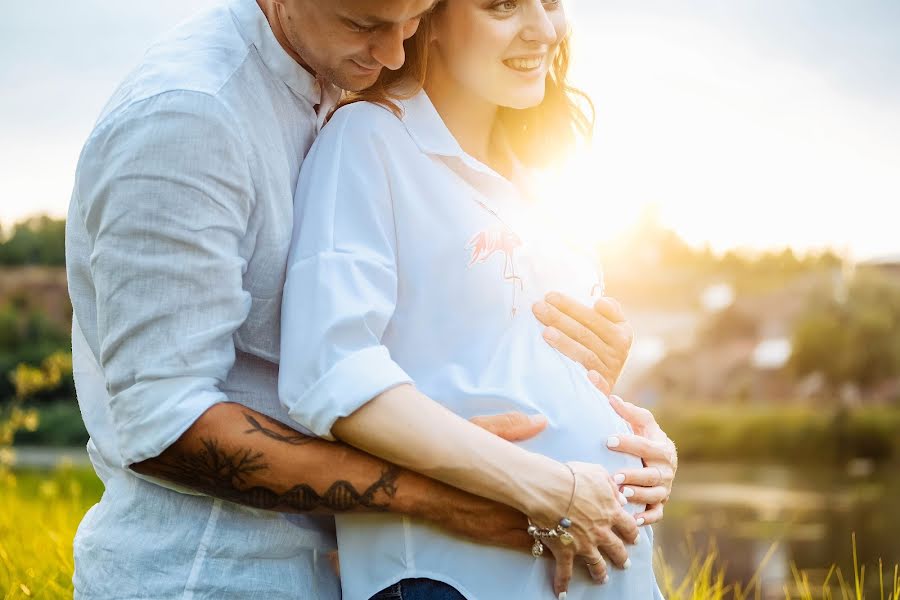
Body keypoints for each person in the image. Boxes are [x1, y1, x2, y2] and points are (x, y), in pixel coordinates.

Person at [65, 0, 676, 597]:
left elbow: (438, 334)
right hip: (213, 575)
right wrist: (482, 494)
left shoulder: (341, 82)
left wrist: (594, 402)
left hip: (345, 566)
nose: (395, 52)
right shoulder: (191, 117)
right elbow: (164, 424)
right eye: (366, 25)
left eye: (410, 20)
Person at [279, 1, 672, 599]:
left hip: (601, 574)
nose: (543, 29)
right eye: (502, 5)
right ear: (428, 17)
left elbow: (506, 364)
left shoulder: (547, 186)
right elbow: (330, 370)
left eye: (550, 2)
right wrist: (548, 486)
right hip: (452, 576)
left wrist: (639, 450)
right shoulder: (370, 141)